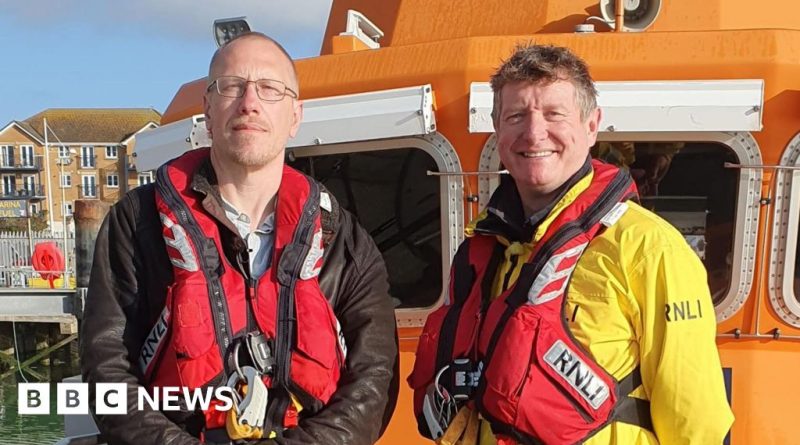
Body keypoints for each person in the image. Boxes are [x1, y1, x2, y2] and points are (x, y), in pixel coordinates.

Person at [81, 32, 398, 445]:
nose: (249, 102)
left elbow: (374, 378)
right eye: (230, 87)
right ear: (208, 112)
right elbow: (106, 366)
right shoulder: (136, 223)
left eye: (270, 89)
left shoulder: (344, 240)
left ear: (295, 115)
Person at [408, 44, 733, 445]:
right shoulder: (484, 248)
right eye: (516, 116)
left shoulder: (650, 249)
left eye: (554, 113)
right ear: (497, 129)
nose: (533, 132)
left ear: (592, 125)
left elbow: (696, 425)